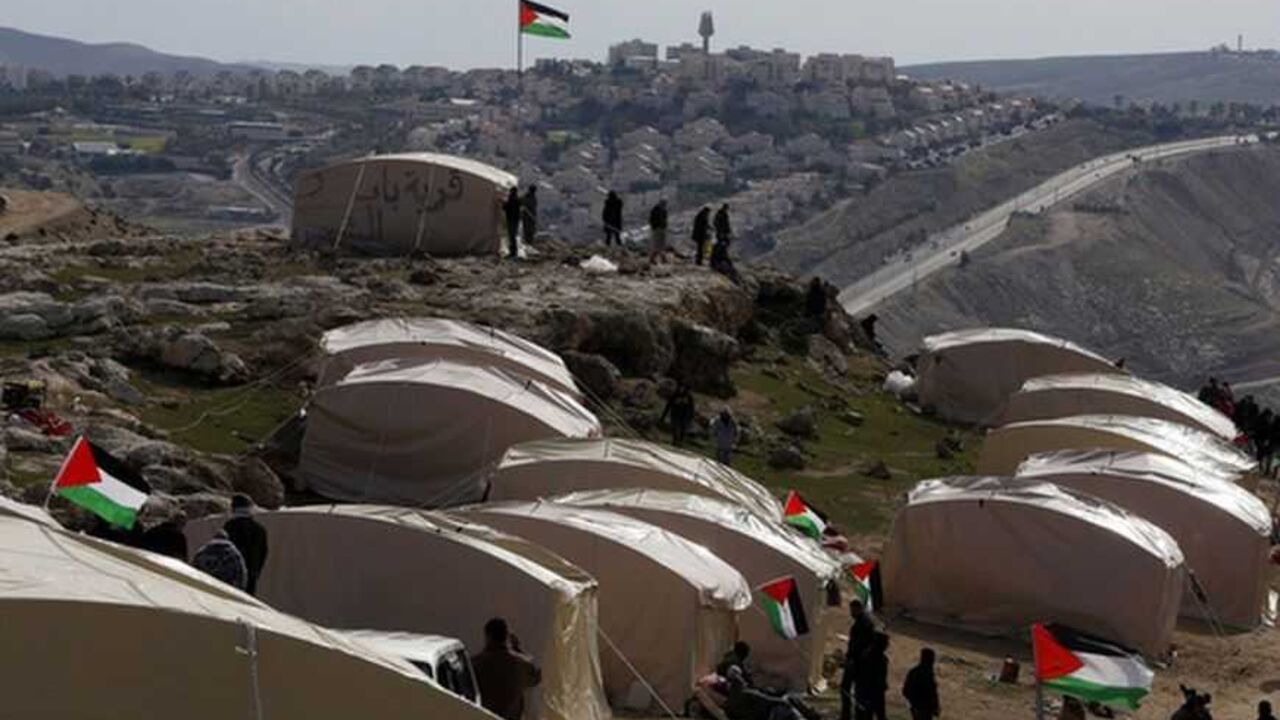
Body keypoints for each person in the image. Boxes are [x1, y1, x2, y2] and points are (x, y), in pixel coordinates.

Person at [472, 618, 542, 720]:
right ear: (506, 636)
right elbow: (535, 677)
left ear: (488, 637)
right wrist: (518, 649)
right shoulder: (521, 664)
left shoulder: (476, 663)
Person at [224, 494, 269, 596]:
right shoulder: (259, 529)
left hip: (232, 573)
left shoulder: (229, 527)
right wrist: (256, 571)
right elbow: (264, 552)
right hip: (251, 573)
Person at [840, 600, 876, 720]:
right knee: (854, 690)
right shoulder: (864, 622)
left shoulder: (863, 624)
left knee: (848, 689)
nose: (851, 613)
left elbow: (859, 645)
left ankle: (848, 715)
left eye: (852, 610)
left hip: (857, 662)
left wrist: (852, 659)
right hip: (858, 661)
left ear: (858, 609)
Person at [853, 633, 889, 720]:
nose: (887, 645)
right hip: (871, 692)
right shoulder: (878, 658)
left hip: (866, 692)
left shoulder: (867, 654)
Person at [902, 648, 940, 720]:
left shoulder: (915, 672)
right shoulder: (927, 674)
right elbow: (932, 693)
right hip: (923, 708)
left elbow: (905, 691)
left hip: (919, 707)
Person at [503, 187, 522, 259]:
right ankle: (513, 252)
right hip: (515, 220)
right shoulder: (517, 200)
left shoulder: (511, 199)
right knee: (513, 236)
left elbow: (505, 207)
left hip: (511, 220)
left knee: (512, 236)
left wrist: (503, 202)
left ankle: (513, 253)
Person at [649, 199, 670, 264]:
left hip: (661, 229)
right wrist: (657, 226)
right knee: (658, 245)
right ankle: (658, 259)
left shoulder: (662, 210)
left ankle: (661, 259)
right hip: (657, 229)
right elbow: (653, 220)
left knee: (661, 245)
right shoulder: (656, 210)